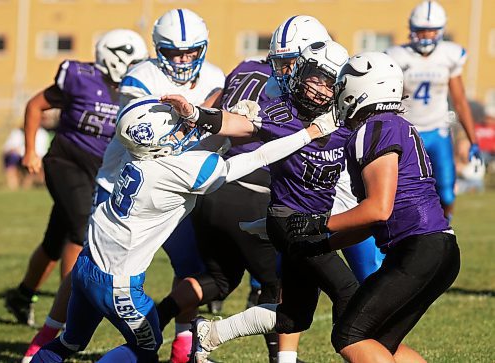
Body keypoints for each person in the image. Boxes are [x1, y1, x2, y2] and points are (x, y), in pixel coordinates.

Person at [29, 94, 334, 363]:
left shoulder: (137, 158)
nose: (183, 131)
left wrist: (225, 129)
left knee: (71, 341)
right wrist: (308, 134)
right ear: (158, 143)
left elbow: (191, 156)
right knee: (145, 350)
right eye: (176, 129)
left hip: (86, 267)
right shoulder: (170, 171)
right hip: (117, 283)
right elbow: (257, 157)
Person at [157, 17, 383, 363]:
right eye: (311, 76)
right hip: (293, 222)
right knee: (349, 293)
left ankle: (212, 333)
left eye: (327, 81)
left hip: (315, 218)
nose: (318, 88)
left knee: (294, 313)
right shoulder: (282, 111)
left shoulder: (342, 116)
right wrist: (195, 114)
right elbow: (237, 123)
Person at [283, 52, 461, 362]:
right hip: (437, 247)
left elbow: (378, 209)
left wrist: (320, 223)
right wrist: (323, 244)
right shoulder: (394, 124)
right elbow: (373, 221)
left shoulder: (374, 128)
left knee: (349, 335)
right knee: (379, 341)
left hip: (417, 248)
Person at [7, 29, 148, 363]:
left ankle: (23, 294)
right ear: (113, 58)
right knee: (82, 232)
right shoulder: (80, 78)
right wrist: (30, 150)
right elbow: (35, 104)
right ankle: (71, 310)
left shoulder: (135, 88)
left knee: (55, 240)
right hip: (65, 162)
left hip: (100, 172)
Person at [93, 8, 225, 362]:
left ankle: (184, 349)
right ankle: (53, 339)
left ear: (203, 48)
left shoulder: (215, 76)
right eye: (172, 52)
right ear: (157, 49)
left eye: (191, 51)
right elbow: (154, 137)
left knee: (189, 267)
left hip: (171, 193)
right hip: (125, 189)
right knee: (95, 277)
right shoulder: (141, 77)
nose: (183, 59)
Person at [386, 0, 481, 219]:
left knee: (447, 193)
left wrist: (473, 140)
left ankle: (444, 229)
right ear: (411, 30)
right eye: (421, 30)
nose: (427, 35)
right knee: (399, 191)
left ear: (441, 30)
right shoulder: (397, 56)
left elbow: (460, 101)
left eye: (431, 30)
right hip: (407, 132)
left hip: (438, 130)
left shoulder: (449, 55)